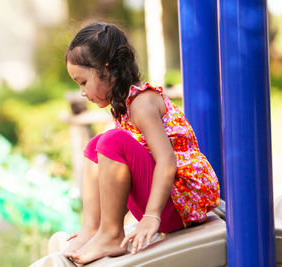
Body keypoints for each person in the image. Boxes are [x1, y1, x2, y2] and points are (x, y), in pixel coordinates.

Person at [63, 22, 220, 264]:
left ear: (107, 69)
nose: (82, 91)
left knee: (111, 141)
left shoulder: (142, 103)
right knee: (95, 145)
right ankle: (94, 228)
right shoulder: (124, 107)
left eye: (83, 82)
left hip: (182, 203)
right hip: (170, 200)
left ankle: (111, 235)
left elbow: (167, 160)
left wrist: (151, 216)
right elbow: (121, 177)